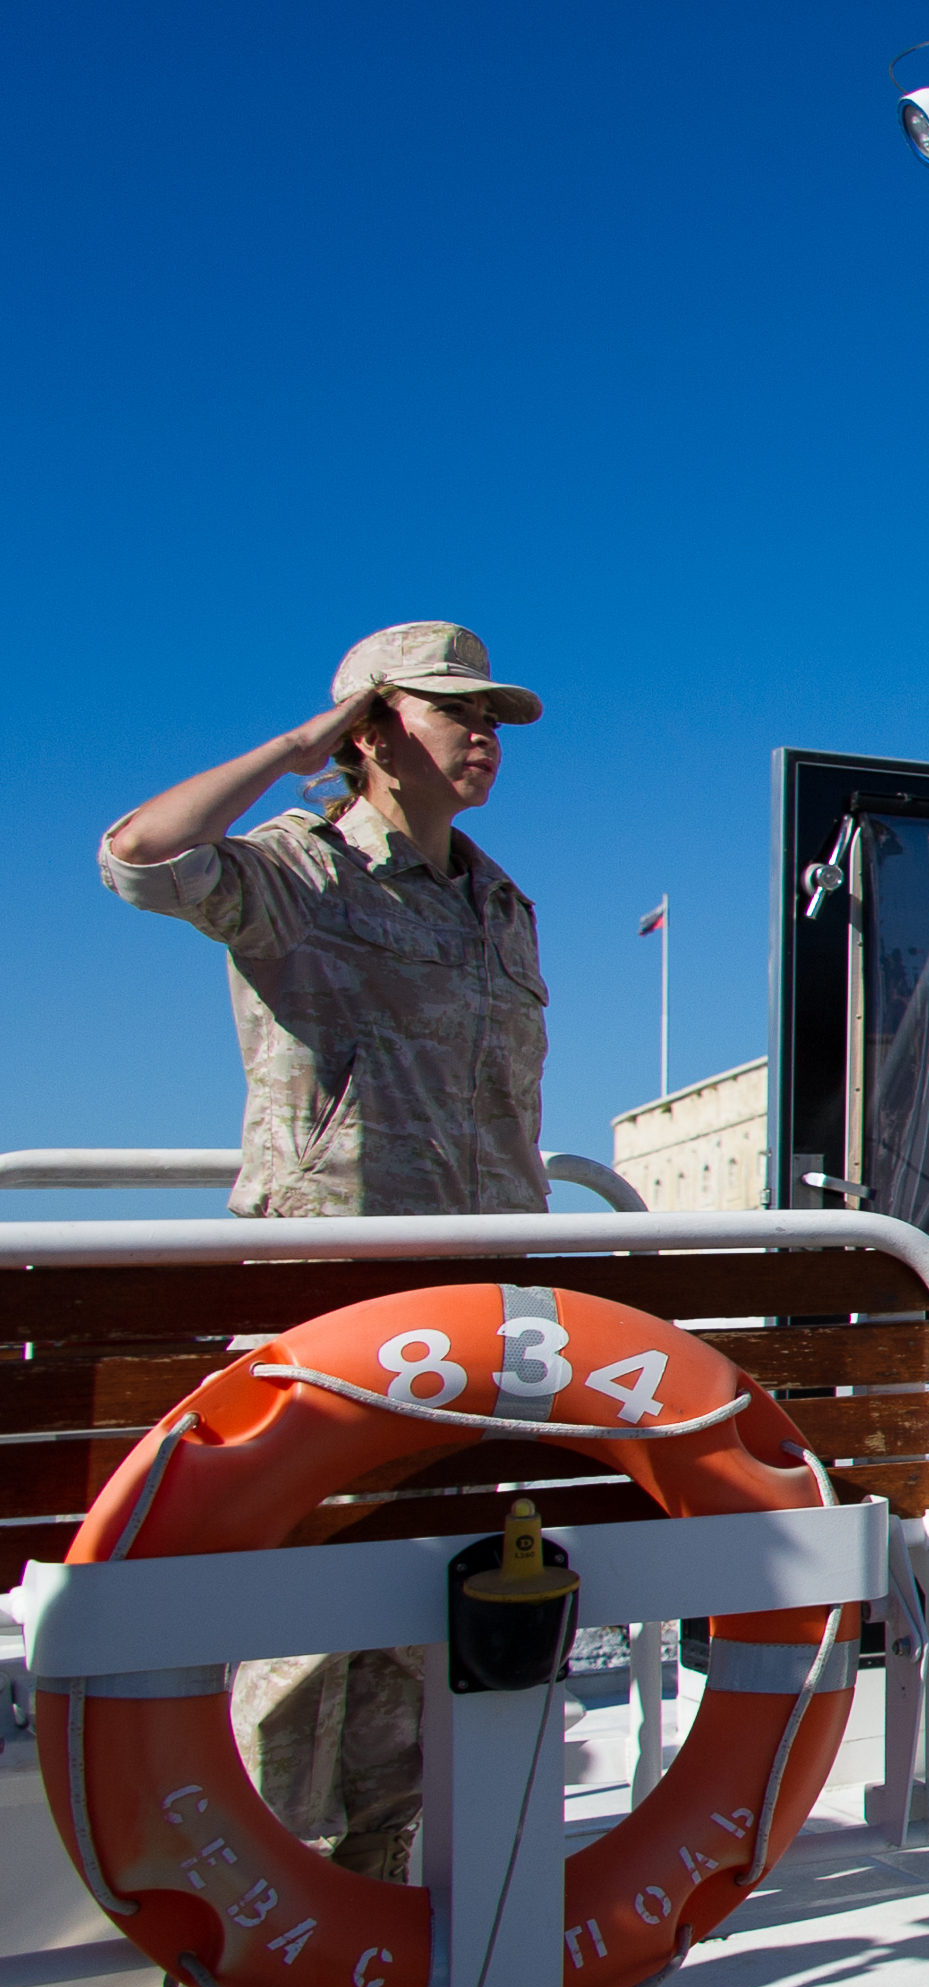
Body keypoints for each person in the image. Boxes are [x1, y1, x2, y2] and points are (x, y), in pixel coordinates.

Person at [98, 620, 552, 1882]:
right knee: (299, 1637)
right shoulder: (300, 874)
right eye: (451, 710)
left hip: (477, 1322)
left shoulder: (503, 908)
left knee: (423, 1614)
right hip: (331, 1317)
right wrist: (300, 743)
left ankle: (379, 1896)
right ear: (369, 732)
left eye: (494, 717)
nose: (483, 734)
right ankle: (272, 1913)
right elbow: (137, 857)